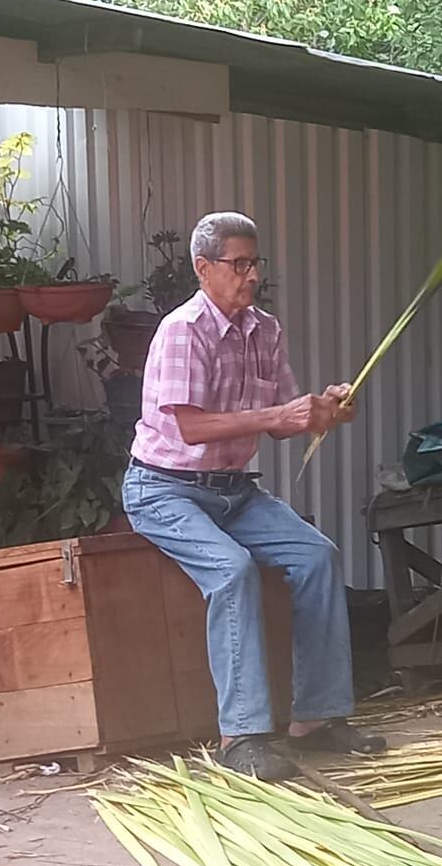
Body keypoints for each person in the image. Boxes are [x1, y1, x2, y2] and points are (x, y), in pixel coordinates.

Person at [122, 211, 385, 781]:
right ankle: (240, 735)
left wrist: (327, 410)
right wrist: (278, 414)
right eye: (237, 264)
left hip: (234, 492)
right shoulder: (182, 331)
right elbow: (191, 427)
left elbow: (286, 420)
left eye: (254, 263)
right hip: (163, 489)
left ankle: (315, 720)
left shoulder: (265, 329)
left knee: (318, 556)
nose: (250, 275)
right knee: (232, 569)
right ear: (202, 268)